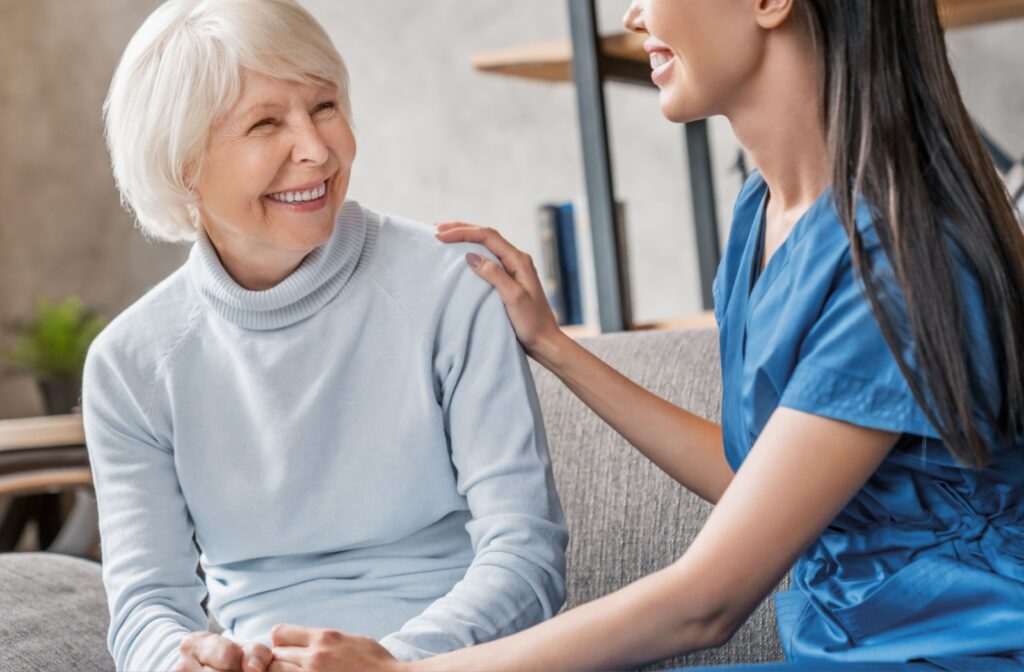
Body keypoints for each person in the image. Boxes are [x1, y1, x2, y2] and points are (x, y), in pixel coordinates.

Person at [261, 0, 1024, 670]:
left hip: (953, 654)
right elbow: (752, 480)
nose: (631, 17)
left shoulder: (895, 258)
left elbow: (708, 603)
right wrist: (558, 349)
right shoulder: (762, 215)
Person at [83, 1, 568, 671]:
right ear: (182, 163)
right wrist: (182, 662)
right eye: (265, 123)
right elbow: (145, 608)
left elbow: (528, 556)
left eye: (325, 106)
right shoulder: (130, 365)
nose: (316, 150)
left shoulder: (453, 284)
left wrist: (389, 662)